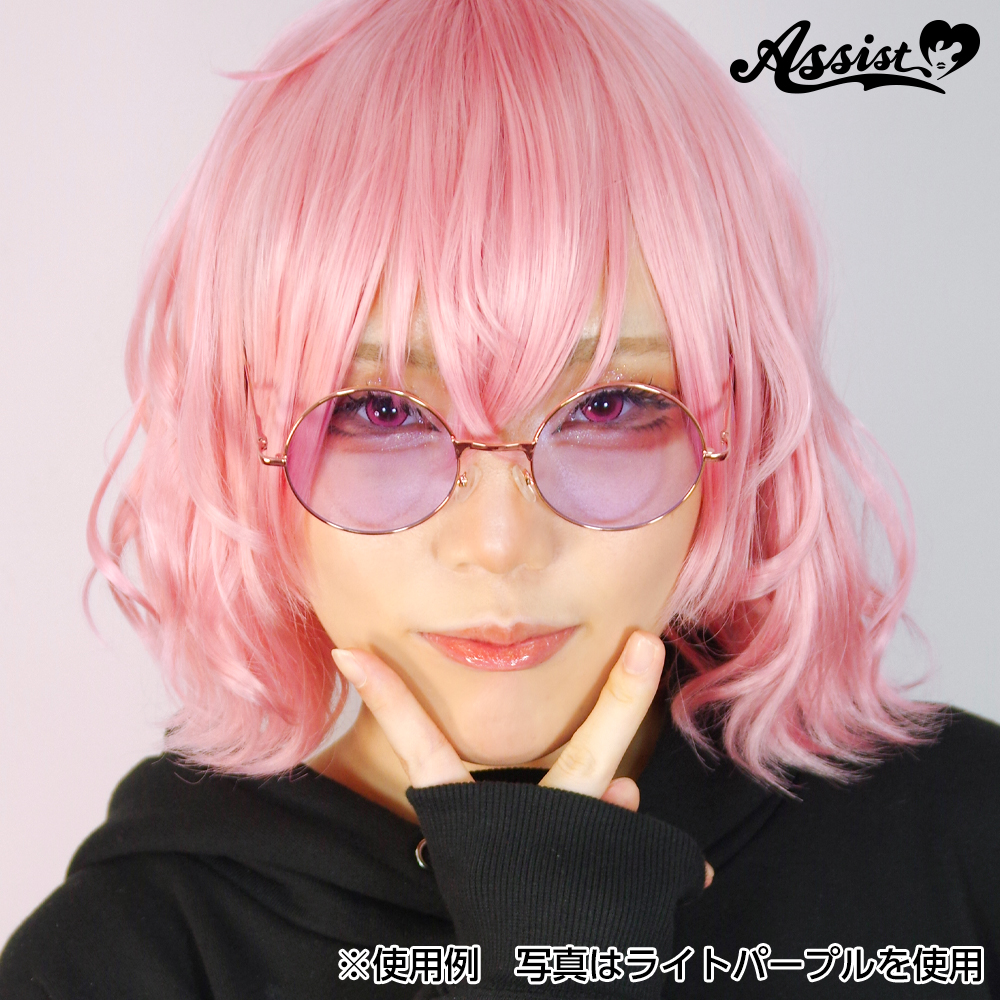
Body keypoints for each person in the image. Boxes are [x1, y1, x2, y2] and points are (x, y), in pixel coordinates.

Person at [2, 0, 997, 997]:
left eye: (609, 404)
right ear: (245, 439)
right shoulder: (121, 963)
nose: (498, 542)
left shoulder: (965, 835)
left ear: (735, 428)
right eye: (380, 411)